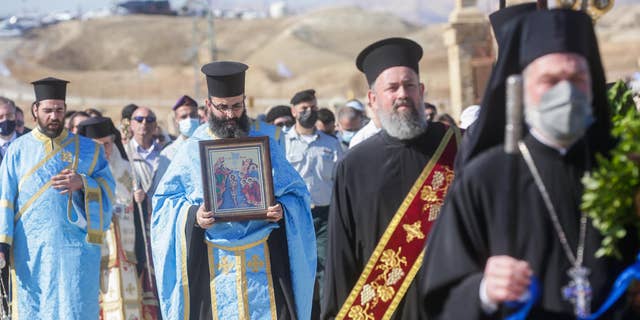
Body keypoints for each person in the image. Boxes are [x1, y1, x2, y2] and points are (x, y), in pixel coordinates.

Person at [420, 9, 639, 319]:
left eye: (577, 78)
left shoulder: (625, 169)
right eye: (550, 80)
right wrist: (484, 291)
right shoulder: (482, 180)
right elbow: (443, 298)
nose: (566, 92)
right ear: (522, 89)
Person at [151, 61, 316, 320]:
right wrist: (193, 215)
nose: (230, 115)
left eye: (236, 106)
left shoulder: (265, 143)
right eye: (223, 107)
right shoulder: (193, 149)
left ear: (244, 103)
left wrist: (282, 209)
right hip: (212, 265)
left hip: (264, 262)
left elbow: (297, 194)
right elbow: (164, 203)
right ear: (209, 106)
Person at [321, 38, 459, 320]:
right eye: (392, 88)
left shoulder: (457, 147)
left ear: (421, 91)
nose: (402, 94)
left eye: (409, 85)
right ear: (373, 99)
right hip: (384, 311)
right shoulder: (354, 165)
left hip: (451, 304)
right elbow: (342, 255)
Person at [0, 77, 114, 319]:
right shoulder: (17, 151)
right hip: (30, 251)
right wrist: (2, 243)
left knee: (76, 308)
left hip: (78, 250)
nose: (54, 116)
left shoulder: (89, 150)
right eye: (48, 110)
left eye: (59, 110)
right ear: (35, 111)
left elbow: (108, 191)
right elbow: (5, 200)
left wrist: (83, 183)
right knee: (36, 309)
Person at [76, 117, 147, 320]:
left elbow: (140, 216)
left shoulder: (128, 170)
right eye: (97, 146)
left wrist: (141, 199)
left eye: (107, 143)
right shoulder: (80, 174)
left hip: (128, 256)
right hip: (97, 257)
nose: (104, 150)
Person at [285, 88, 344, 316]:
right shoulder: (284, 143)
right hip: (296, 217)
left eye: (313, 108)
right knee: (299, 269)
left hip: (325, 216)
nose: (309, 112)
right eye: (304, 109)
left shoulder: (331, 144)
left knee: (325, 271)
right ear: (293, 111)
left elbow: (340, 179)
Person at [124, 106, 162, 316]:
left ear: (156, 125)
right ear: (131, 124)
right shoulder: (123, 155)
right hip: (134, 231)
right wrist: (132, 197)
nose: (144, 124)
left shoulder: (165, 156)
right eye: (139, 119)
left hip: (158, 228)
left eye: (150, 119)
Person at [0, 97, 21, 164]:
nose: (5, 120)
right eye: (0, 117)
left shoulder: (28, 143)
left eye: (9, 115)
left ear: (15, 117)